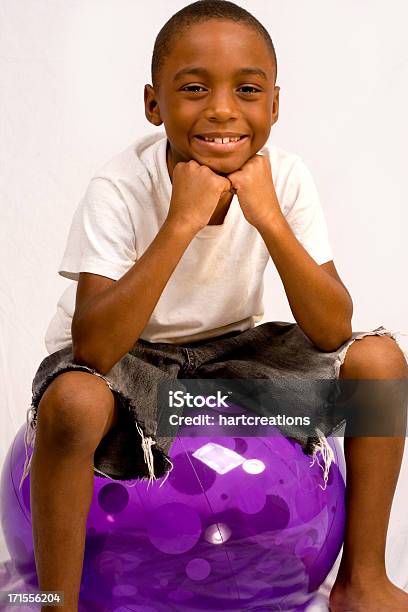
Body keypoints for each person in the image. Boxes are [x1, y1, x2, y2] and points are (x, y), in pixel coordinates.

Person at [19, 1, 408, 610]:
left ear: (274, 106)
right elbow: (93, 347)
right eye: (194, 89)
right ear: (154, 104)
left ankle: (361, 580)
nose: (223, 109)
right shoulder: (119, 187)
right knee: (73, 400)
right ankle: (52, 603)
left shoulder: (287, 177)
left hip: (233, 359)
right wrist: (182, 220)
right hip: (130, 359)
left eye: (247, 90)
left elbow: (334, 328)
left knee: (381, 364)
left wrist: (270, 219)